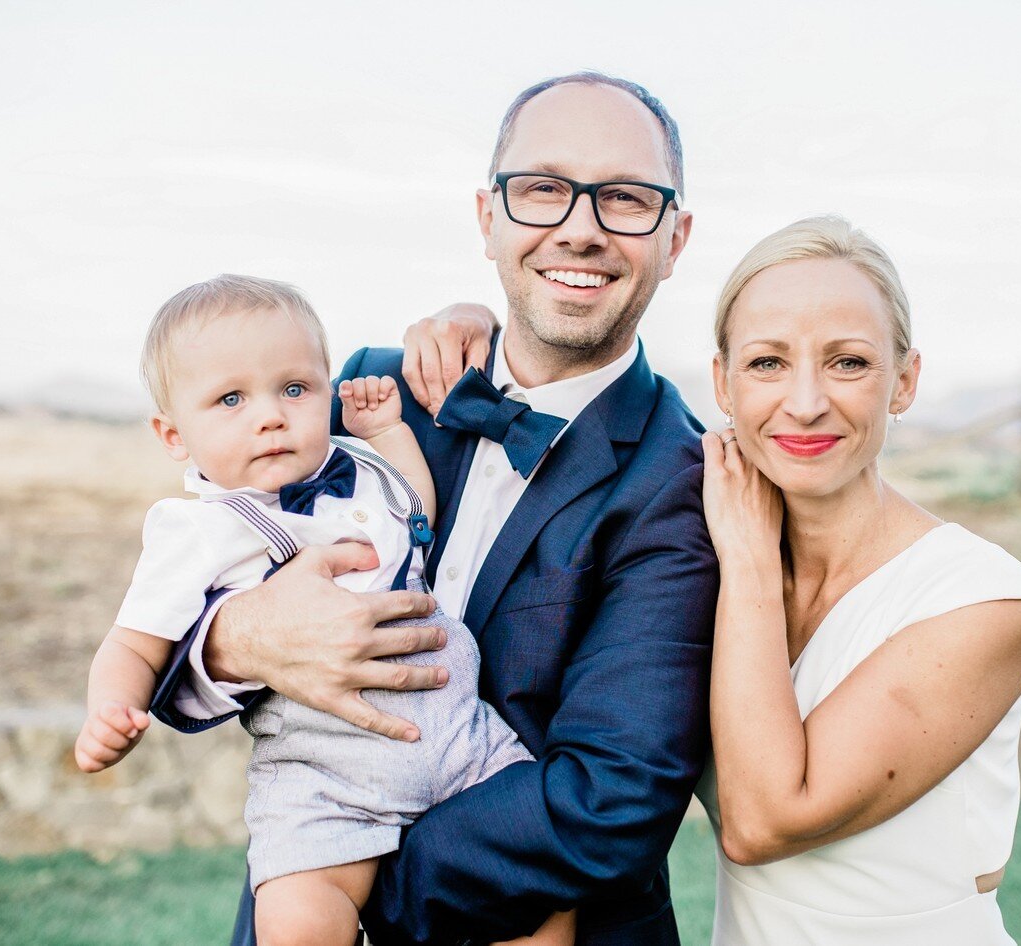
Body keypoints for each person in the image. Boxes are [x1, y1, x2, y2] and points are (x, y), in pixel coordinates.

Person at [153, 73, 718, 946]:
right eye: (542, 189)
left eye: (625, 199)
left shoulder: (681, 482)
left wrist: (339, 897)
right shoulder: (362, 392)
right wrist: (238, 641)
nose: (580, 226)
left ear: (674, 238)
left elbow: (610, 804)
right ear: (488, 215)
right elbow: (191, 568)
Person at [75, 275, 573, 946]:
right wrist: (111, 707)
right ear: (173, 435)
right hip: (321, 771)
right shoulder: (195, 532)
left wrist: (391, 434)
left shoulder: (357, 467)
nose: (270, 415)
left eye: (294, 389)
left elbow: (414, 514)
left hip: (458, 734)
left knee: (543, 890)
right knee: (299, 916)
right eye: (230, 399)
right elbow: (136, 643)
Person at [697, 215, 1021, 945]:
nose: (803, 402)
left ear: (904, 381)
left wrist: (753, 566)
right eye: (765, 362)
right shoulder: (694, 560)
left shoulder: (983, 600)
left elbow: (762, 821)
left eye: (847, 362)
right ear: (721, 384)